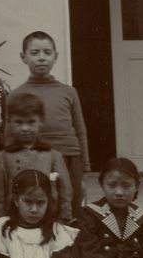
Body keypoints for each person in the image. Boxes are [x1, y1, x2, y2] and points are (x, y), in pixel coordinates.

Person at [7, 30, 91, 209]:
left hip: (69, 156)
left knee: (71, 203)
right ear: (23, 57)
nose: (41, 58)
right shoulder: (15, 95)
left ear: (56, 56)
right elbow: (9, 134)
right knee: (38, 203)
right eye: (34, 53)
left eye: (47, 52)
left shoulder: (69, 92)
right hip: (34, 157)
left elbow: (80, 130)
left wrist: (84, 167)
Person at [0, 92, 72, 222]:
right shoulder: (4, 156)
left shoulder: (53, 155)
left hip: (48, 219)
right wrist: (1, 220)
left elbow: (65, 189)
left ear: (41, 121)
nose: (25, 128)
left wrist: (65, 217)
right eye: (19, 122)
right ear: (9, 122)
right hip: (14, 220)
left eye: (31, 122)